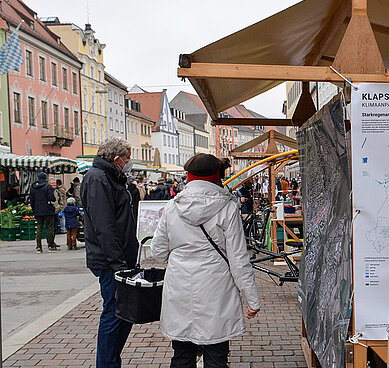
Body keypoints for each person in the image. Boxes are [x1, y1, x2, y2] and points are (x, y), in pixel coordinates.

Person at [151, 153, 260, 368]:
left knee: (182, 354)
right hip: (216, 286)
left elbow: (157, 252)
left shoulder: (173, 206)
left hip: (180, 286)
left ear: (189, 176)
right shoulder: (228, 208)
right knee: (216, 353)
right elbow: (238, 259)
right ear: (217, 176)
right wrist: (252, 298)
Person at [80, 137, 138, 368]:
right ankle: (107, 364)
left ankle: (111, 360)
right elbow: (104, 226)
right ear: (116, 160)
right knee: (114, 314)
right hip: (111, 261)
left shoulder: (111, 178)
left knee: (124, 314)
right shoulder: (98, 179)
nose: (128, 163)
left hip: (120, 258)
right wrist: (118, 264)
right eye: (127, 159)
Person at [30, 172, 57, 253]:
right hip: (48, 210)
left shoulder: (33, 187)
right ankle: (50, 245)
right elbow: (52, 198)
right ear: (45, 178)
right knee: (49, 228)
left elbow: (31, 200)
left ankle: (38, 246)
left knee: (39, 228)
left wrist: (34, 209)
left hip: (38, 210)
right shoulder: (48, 186)